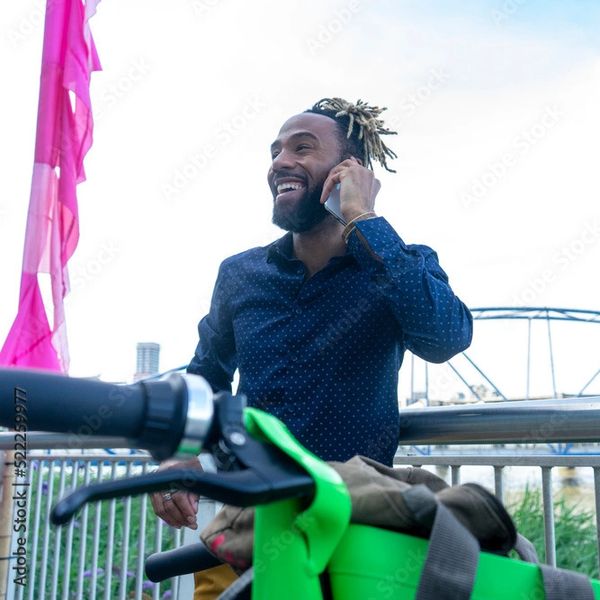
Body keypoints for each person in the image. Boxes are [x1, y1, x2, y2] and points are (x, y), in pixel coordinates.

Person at [150, 97, 473, 598]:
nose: (280, 162)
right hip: (239, 530)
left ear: (349, 171)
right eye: (276, 150)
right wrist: (182, 454)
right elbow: (205, 376)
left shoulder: (397, 266)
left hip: (350, 533)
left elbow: (446, 338)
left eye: (303, 148)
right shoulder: (240, 273)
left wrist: (362, 218)